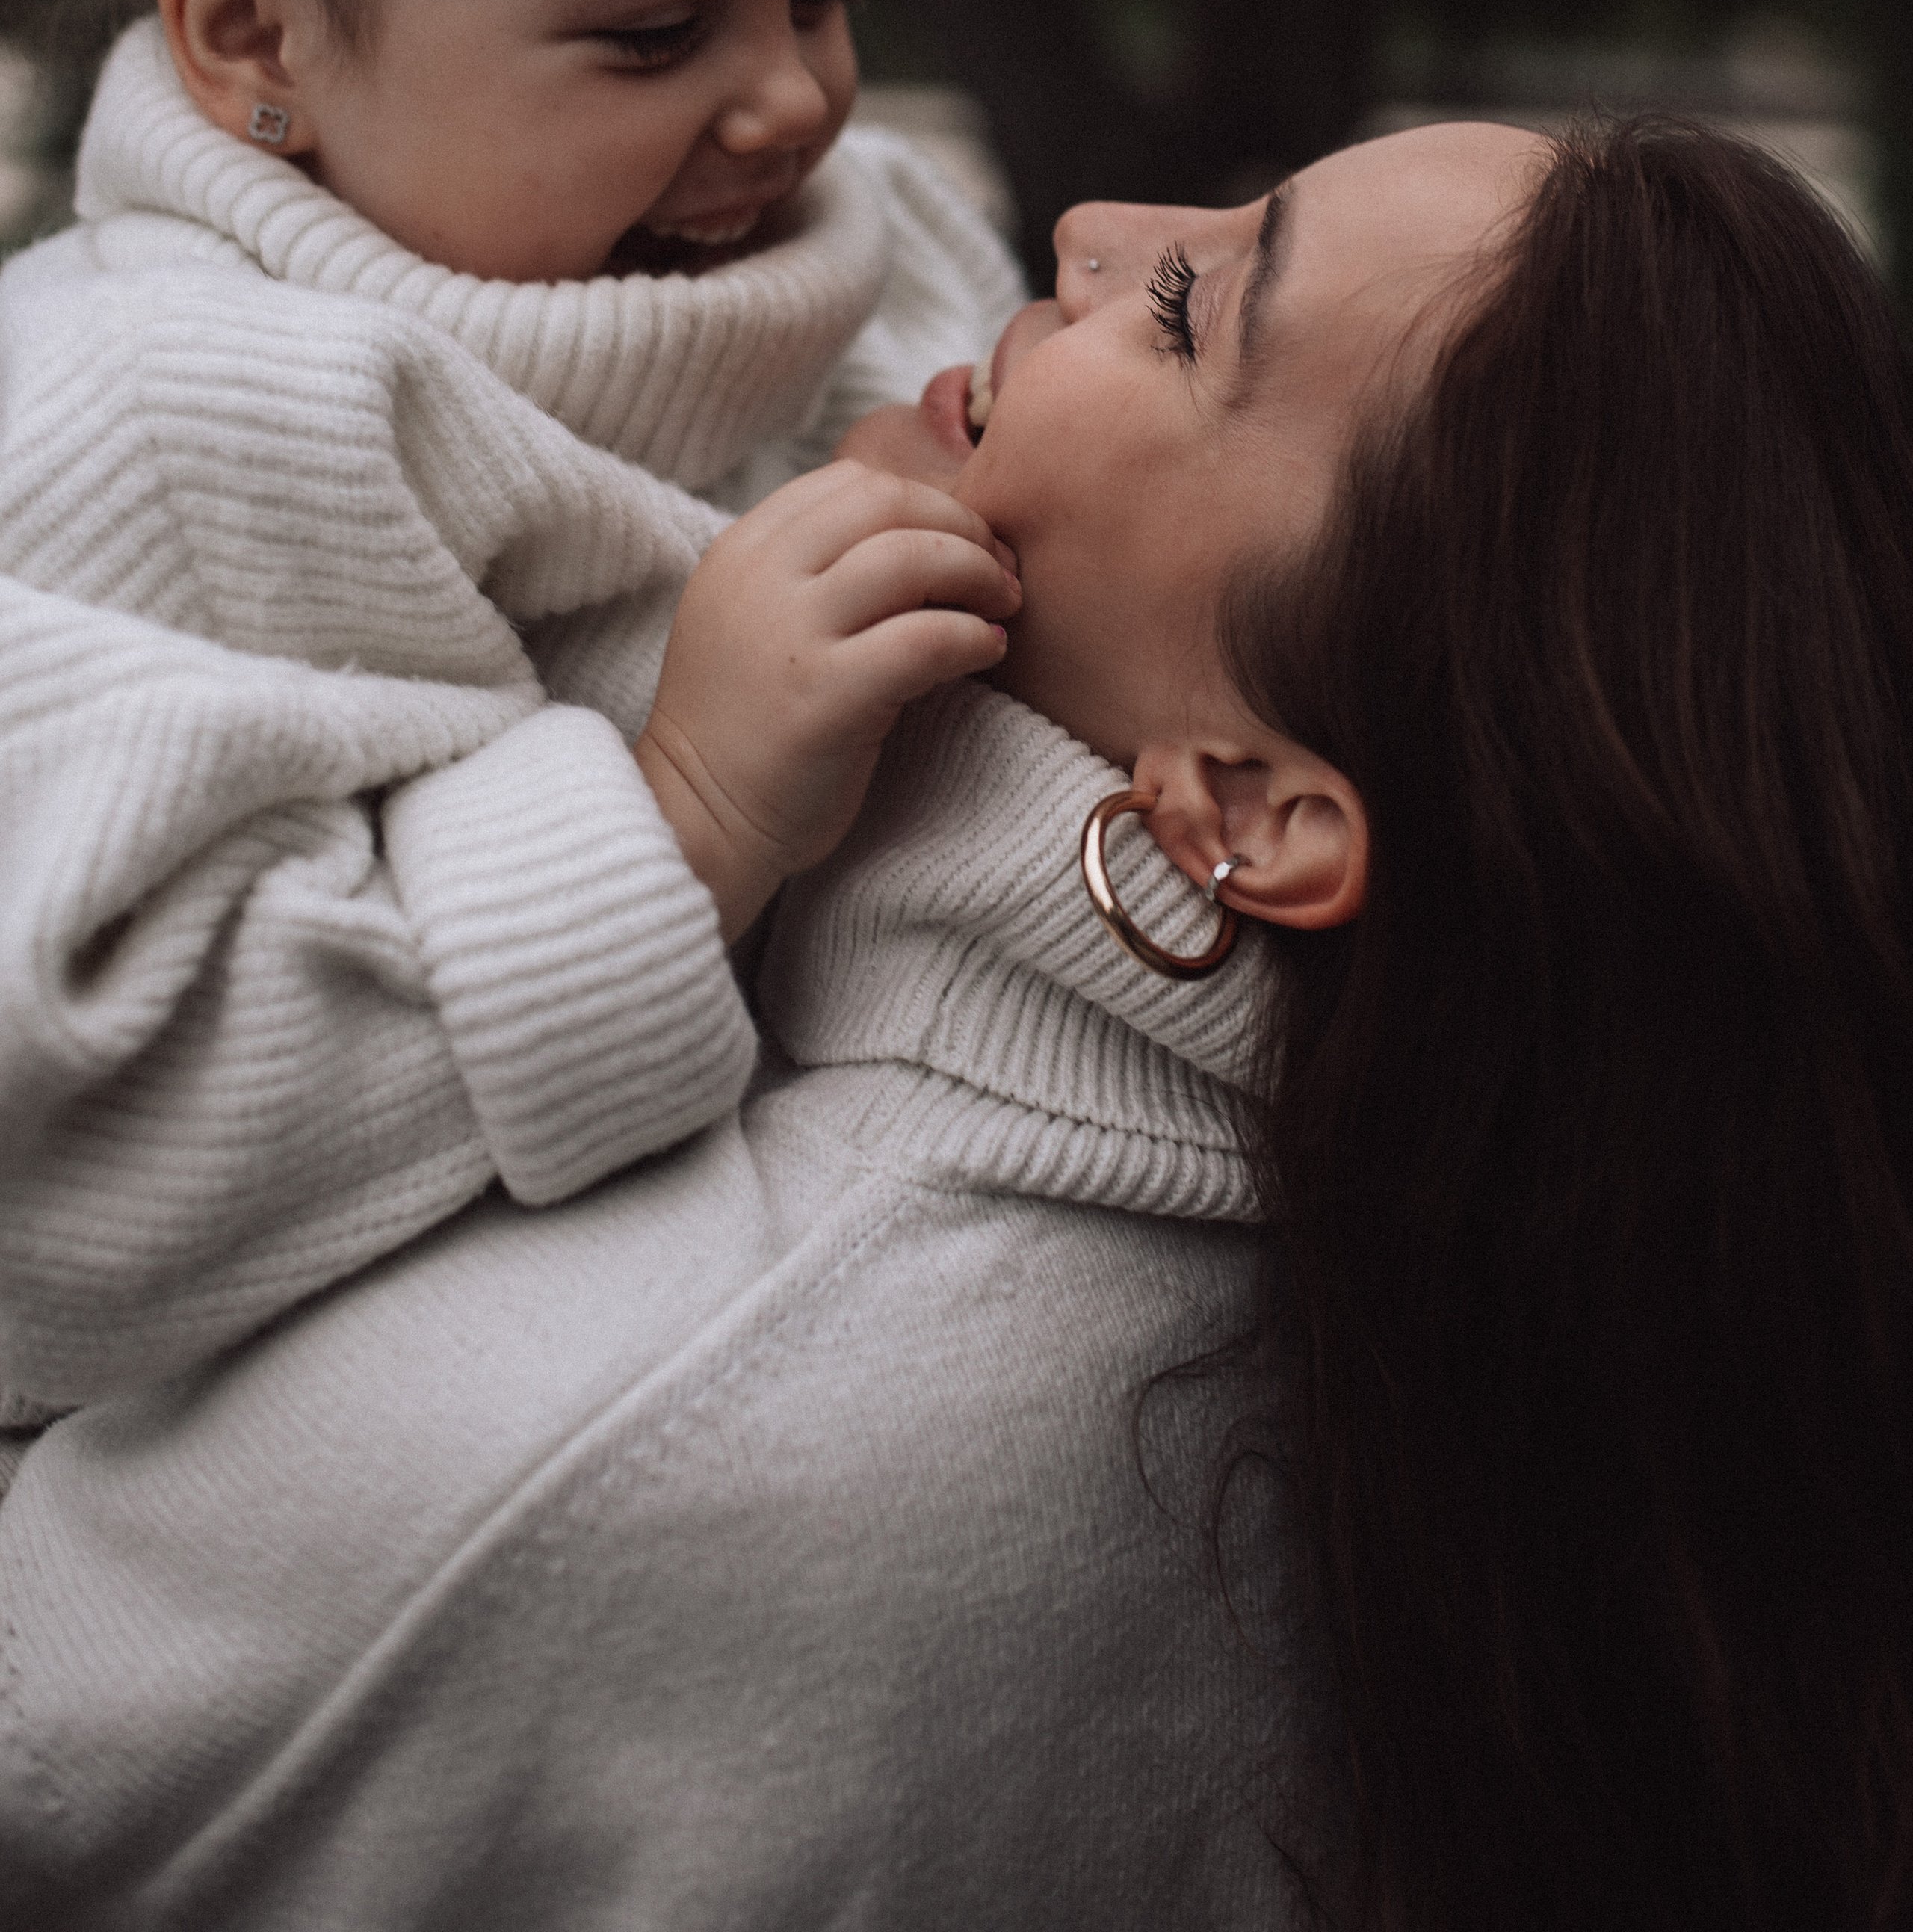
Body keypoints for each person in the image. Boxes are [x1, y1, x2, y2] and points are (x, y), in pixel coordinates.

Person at [9, 111, 1900, 1928]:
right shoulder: (1487, 1368)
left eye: (1185, 316)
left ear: (1243, 809)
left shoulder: (668, 1426)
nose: (1089, 232)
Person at [0, 0, 1025, 1419]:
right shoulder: (137, 421)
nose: (793, 95)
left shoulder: (900, 254)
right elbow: (47, 1129)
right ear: (251, 28)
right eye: (653, 31)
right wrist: (679, 815)